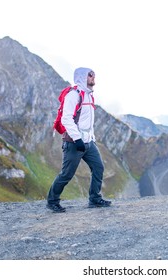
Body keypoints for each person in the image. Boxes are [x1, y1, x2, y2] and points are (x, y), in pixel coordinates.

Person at [46, 67, 111, 212]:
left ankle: (95, 199)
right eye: (90, 75)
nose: (93, 77)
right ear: (82, 77)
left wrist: (90, 138)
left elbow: (87, 121)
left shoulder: (89, 95)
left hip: (88, 141)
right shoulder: (73, 95)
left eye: (93, 75)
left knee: (98, 167)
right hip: (74, 143)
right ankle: (52, 201)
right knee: (67, 174)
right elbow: (66, 119)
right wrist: (77, 139)